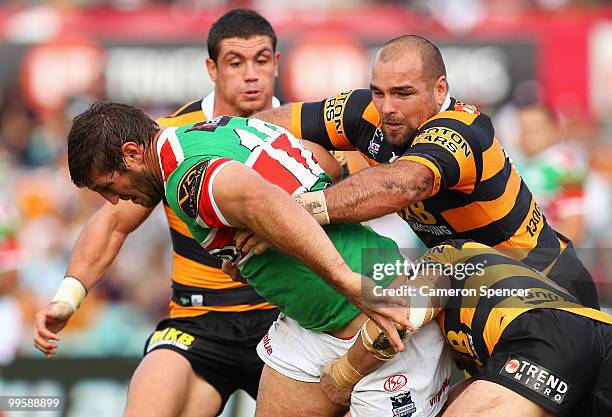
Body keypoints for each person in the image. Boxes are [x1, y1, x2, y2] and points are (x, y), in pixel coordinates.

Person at [32, 9, 340, 417]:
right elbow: (111, 223)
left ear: (277, 64)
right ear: (212, 68)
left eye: (262, 61)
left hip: (290, 316)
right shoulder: (166, 137)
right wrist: (67, 299)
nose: (251, 75)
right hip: (200, 318)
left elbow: (349, 207)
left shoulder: (305, 130)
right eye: (235, 62)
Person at [59, 103, 450, 417]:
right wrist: (257, 247)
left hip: (376, 312)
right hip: (318, 321)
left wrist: (342, 275)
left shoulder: (185, 179)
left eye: (109, 187)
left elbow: (257, 197)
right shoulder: (218, 129)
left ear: (131, 154)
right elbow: (322, 165)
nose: (114, 200)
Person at [254, 34, 599, 310]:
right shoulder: (366, 111)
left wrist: (288, 213)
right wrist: (218, 136)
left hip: (544, 289)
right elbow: (267, 125)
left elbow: (406, 183)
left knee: (377, 310)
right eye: (378, 92)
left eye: (403, 93)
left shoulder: (463, 129)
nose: (387, 107)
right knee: (374, 306)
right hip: (465, 283)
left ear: (440, 89)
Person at [320, 239, 612, 417]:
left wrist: (343, 375)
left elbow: (402, 314)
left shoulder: (439, 259)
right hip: (593, 335)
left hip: (544, 339)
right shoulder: (495, 275)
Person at [515, 104, 587, 245]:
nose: (528, 134)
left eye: (536, 128)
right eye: (523, 128)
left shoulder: (566, 167)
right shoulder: (512, 161)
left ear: (554, 129)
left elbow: (573, 226)